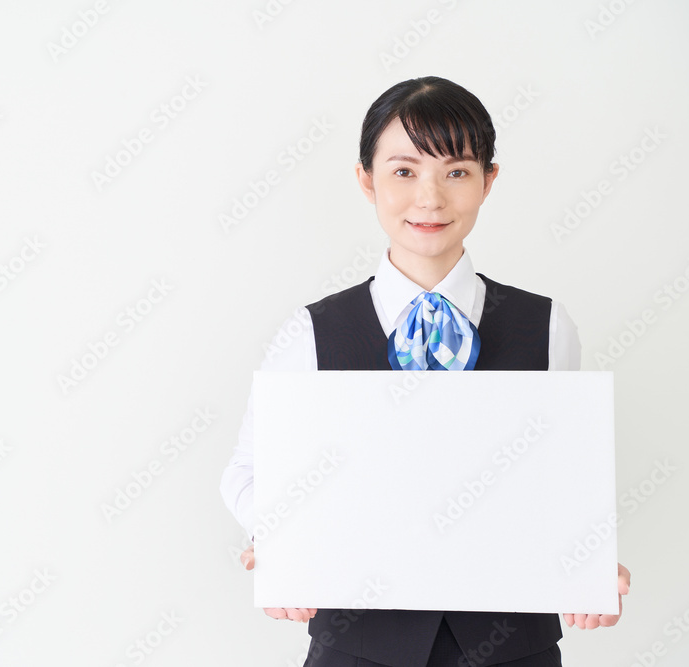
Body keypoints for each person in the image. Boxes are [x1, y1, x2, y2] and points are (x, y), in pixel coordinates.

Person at [219, 76, 631, 667]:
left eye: (456, 171)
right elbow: (247, 468)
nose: (430, 198)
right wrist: (284, 538)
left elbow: (560, 477)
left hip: (514, 646)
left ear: (489, 180)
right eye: (404, 171)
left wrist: (587, 558)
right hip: (358, 646)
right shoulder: (311, 331)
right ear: (367, 180)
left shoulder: (546, 325)